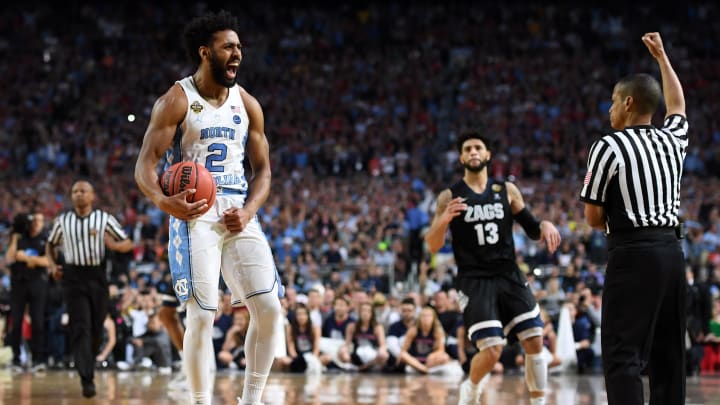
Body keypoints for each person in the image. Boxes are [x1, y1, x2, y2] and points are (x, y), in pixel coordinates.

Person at [134, 9, 283, 405]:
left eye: (239, 47)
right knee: (201, 314)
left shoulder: (248, 103)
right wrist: (165, 201)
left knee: (268, 308)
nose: (237, 54)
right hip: (194, 213)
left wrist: (250, 210)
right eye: (228, 47)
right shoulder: (176, 99)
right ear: (205, 52)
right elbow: (144, 165)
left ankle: (250, 400)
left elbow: (264, 171)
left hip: (238, 211)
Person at [579, 32, 688, 405]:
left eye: (612, 103)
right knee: (669, 354)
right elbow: (677, 107)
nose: (609, 110)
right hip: (673, 253)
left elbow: (592, 217)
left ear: (627, 104)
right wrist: (663, 59)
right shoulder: (673, 139)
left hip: (632, 253)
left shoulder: (607, 146)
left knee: (622, 354)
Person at [424, 132, 561, 405]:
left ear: (487, 155)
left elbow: (533, 228)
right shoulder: (449, 196)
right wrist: (444, 220)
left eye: (478, 148)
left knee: (535, 339)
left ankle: (538, 402)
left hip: (509, 274)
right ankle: (471, 388)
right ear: (462, 158)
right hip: (475, 280)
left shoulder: (506, 191)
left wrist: (544, 224)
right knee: (493, 349)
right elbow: (432, 245)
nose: (473, 152)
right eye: (467, 149)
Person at [46, 179, 133, 398]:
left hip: (98, 277)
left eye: (83, 191)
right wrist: (51, 264)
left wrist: (113, 245)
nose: (78, 194)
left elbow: (127, 242)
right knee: (81, 326)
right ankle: (87, 378)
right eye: (75, 191)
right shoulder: (63, 220)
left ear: (92, 196)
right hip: (73, 277)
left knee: (95, 328)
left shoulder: (104, 219)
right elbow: (50, 244)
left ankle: (89, 361)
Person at [4, 212, 50, 372]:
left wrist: (28, 259)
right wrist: (15, 239)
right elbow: (9, 258)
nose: (38, 224)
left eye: (41, 221)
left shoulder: (45, 239)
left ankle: (38, 359)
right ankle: (16, 359)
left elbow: (48, 261)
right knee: (16, 322)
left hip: (38, 285)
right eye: (35, 221)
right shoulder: (20, 237)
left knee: (37, 322)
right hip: (18, 285)